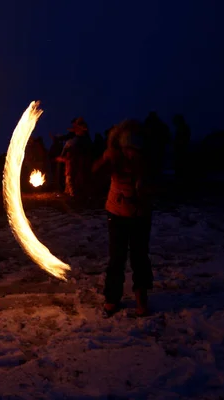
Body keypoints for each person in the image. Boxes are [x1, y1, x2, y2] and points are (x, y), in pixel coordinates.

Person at [93, 120, 153, 317]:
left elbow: (152, 188)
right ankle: (112, 298)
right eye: (128, 149)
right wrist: (104, 158)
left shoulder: (147, 162)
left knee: (140, 257)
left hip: (140, 216)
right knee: (117, 258)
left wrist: (141, 195)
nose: (131, 154)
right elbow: (93, 173)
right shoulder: (114, 158)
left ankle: (141, 298)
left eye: (135, 150)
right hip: (117, 214)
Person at [57, 117, 93, 200]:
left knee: (74, 179)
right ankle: (69, 192)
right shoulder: (74, 141)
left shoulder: (80, 141)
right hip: (74, 164)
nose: (75, 129)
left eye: (77, 128)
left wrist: (64, 157)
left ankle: (75, 195)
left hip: (77, 164)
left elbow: (77, 154)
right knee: (70, 179)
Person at [172, 114, 191, 184]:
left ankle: (181, 181)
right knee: (180, 165)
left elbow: (182, 140)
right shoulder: (183, 128)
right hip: (180, 150)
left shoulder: (182, 128)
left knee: (180, 165)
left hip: (181, 150)